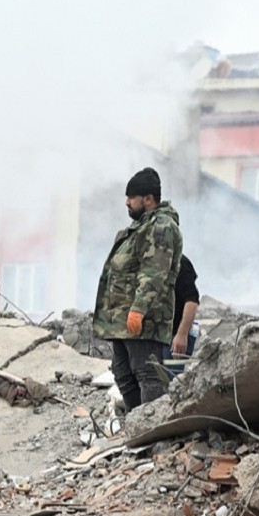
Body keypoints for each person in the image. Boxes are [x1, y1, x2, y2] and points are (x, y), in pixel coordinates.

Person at [93, 167, 183, 411]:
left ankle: (151, 435)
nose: (126, 202)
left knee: (147, 375)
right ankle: (135, 428)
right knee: (123, 374)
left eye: (131, 197)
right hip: (122, 322)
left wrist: (139, 309)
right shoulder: (139, 228)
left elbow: (154, 273)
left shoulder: (161, 227)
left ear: (148, 199)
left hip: (144, 321)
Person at [169, 254, 200, 359]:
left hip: (174, 338)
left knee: (171, 374)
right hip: (154, 339)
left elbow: (192, 300)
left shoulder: (180, 263)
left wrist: (182, 334)